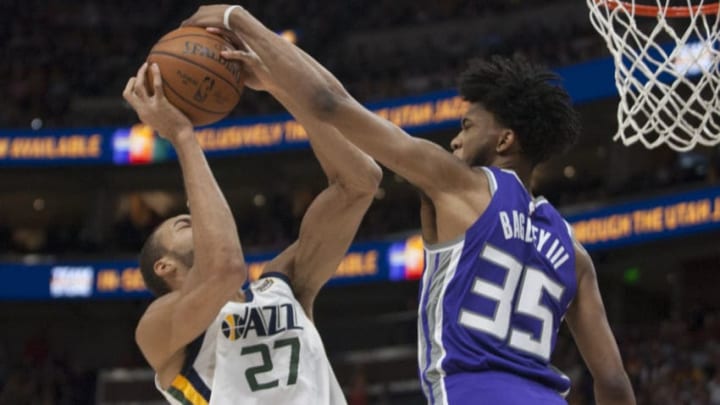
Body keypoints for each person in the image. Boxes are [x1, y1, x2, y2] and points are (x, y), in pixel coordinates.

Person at [183, 5, 636, 404]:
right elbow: (613, 382)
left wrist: (235, 17)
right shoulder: (574, 253)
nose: (456, 138)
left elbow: (330, 103)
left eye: (467, 125)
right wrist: (281, 81)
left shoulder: (462, 185)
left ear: (505, 139)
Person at [124, 58, 381, 404]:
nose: (200, 221)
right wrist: (182, 135)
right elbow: (226, 270)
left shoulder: (283, 284)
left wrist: (280, 87)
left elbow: (360, 182)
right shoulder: (158, 327)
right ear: (164, 266)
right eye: (186, 223)